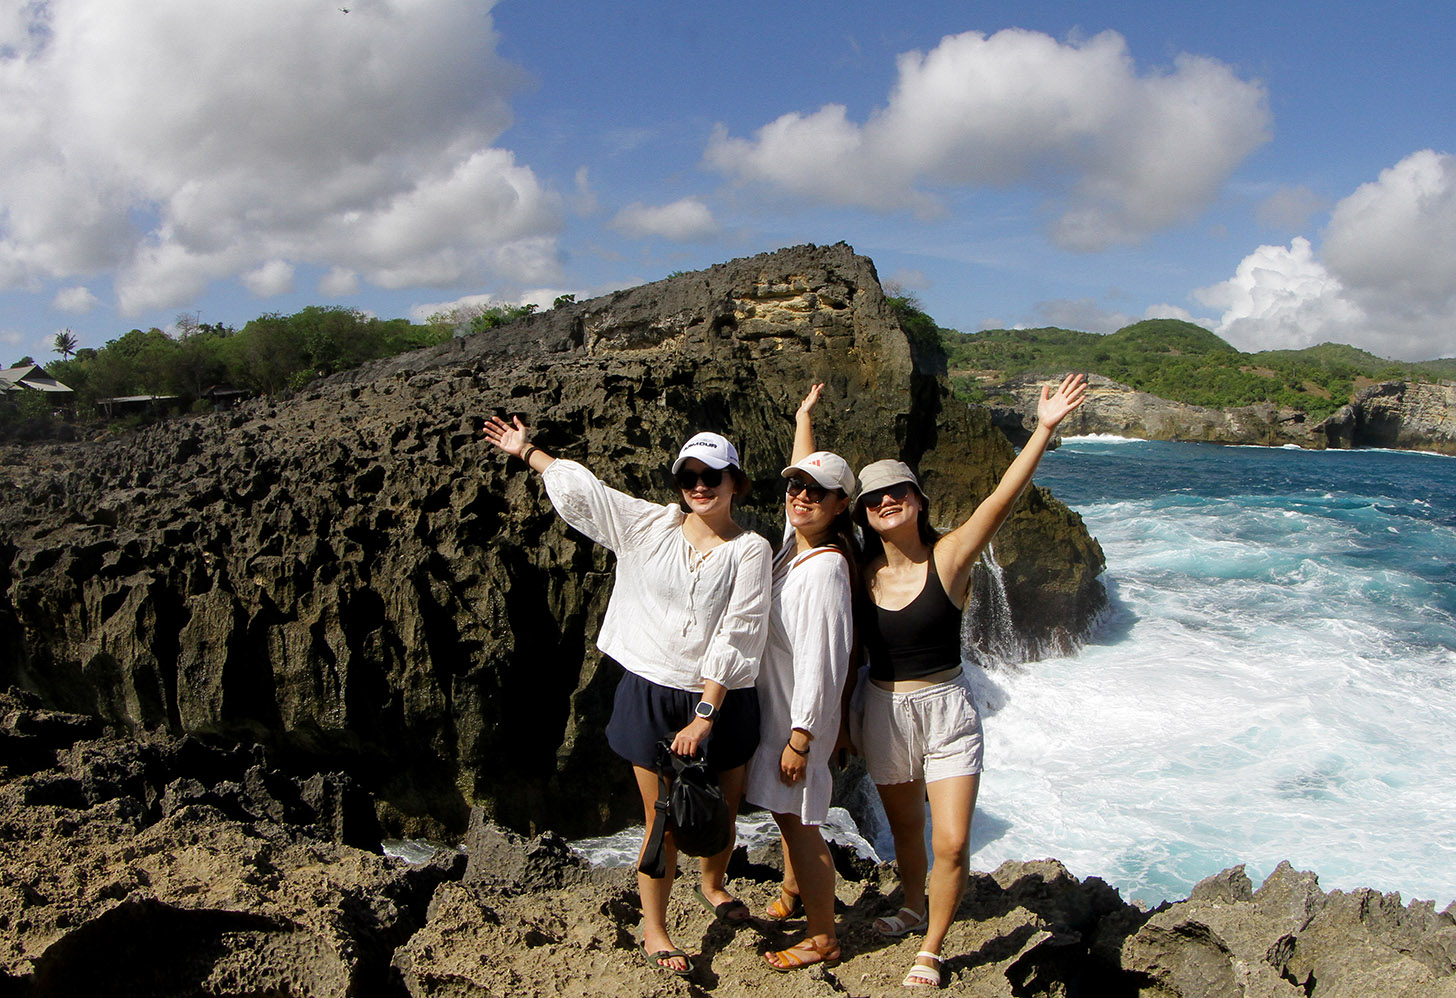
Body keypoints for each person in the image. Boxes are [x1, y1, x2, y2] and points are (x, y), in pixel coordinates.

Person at [808, 373, 1088, 988]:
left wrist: (1042, 429)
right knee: (907, 829)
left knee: (954, 843)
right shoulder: (858, 569)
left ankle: (932, 945)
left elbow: (998, 500)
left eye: (897, 492)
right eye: (874, 499)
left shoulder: (951, 557)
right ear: (863, 514)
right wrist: (806, 421)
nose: (886, 502)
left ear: (917, 499)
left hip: (947, 709)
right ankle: (914, 905)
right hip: (881, 711)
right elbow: (810, 490)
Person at [482, 416, 772, 979]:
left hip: (723, 696)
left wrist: (707, 714)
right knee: (659, 818)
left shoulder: (751, 549)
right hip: (652, 691)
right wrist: (528, 453)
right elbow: (590, 495)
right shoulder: (649, 526)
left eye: (713, 474)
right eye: (688, 474)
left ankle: (713, 885)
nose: (699, 485)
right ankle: (655, 928)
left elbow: (741, 629)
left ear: (735, 481)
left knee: (724, 809)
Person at [744, 385, 857, 972]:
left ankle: (823, 936)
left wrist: (802, 737)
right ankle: (791, 894)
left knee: (803, 826)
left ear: (841, 505)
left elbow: (824, 662)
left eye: (818, 492)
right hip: (782, 716)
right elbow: (803, 486)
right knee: (786, 818)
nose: (802, 497)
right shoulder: (795, 550)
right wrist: (803, 418)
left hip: (796, 723)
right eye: (794, 486)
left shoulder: (826, 572)